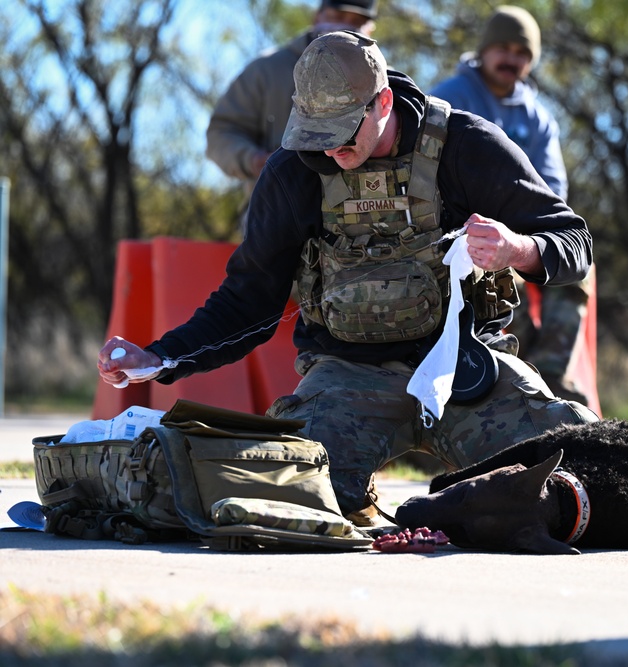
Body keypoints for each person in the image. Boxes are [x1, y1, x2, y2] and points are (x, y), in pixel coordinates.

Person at [99, 31, 598, 522]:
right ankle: (355, 502)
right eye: (314, 134)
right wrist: (160, 356)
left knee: (582, 471)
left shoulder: (469, 146)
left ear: (382, 103)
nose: (328, 150)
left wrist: (519, 249)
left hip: (465, 373)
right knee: (274, 498)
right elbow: (247, 300)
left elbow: (574, 243)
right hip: (346, 377)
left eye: (341, 131)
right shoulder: (292, 172)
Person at [430, 6, 595, 408]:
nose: (511, 58)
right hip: (460, 232)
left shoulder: (537, 118)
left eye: (522, 52)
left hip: (518, 231)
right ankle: (500, 383)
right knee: (502, 284)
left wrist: (527, 236)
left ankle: (550, 381)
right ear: (484, 50)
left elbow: (553, 188)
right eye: (502, 47)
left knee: (578, 272)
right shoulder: (451, 97)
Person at [206, 0, 378, 219]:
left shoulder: (383, 81)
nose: (344, 27)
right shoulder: (266, 70)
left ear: (370, 29)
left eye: (357, 21)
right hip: (275, 207)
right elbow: (221, 132)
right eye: (337, 16)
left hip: (360, 211)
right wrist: (255, 160)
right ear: (318, 17)